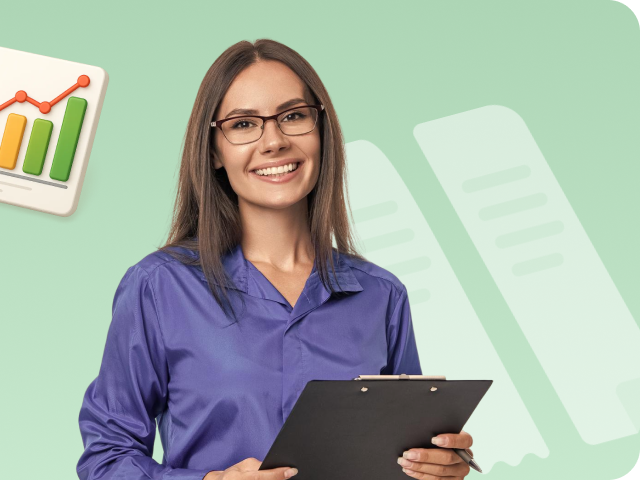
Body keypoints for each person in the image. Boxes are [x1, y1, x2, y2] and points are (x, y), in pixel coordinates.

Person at [76, 39, 474, 480]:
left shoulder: (381, 296)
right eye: (244, 124)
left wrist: (437, 468)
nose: (274, 141)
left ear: (320, 129)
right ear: (213, 151)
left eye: (293, 116)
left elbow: (399, 458)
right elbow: (106, 459)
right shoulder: (159, 287)